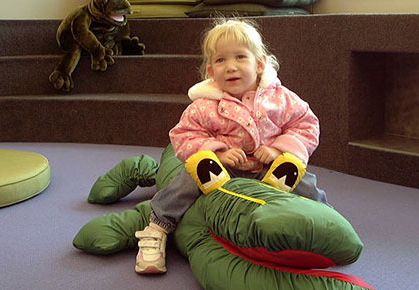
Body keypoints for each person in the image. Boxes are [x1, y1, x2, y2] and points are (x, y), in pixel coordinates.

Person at [134, 18, 328, 275]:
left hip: (269, 169)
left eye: (240, 57)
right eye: (221, 60)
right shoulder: (204, 105)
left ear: (259, 64)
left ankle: (326, 223)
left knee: (307, 185)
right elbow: (184, 135)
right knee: (184, 183)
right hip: (222, 172)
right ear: (211, 71)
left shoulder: (281, 98)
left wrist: (279, 150)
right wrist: (218, 152)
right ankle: (157, 228)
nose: (231, 67)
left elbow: (307, 125)